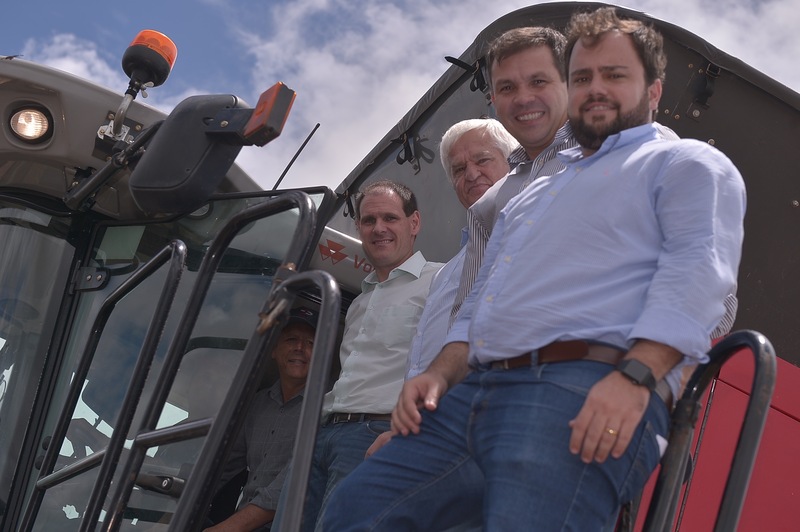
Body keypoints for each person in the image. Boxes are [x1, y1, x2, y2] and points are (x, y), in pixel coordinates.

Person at [320, 7, 746, 530]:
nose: (595, 89)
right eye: (583, 77)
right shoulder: (525, 198)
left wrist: (637, 377)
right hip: (477, 394)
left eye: (615, 75)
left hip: (577, 387)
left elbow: (704, 286)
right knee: (354, 510)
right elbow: (478, 306)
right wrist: (437, 376)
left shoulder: (681, 163)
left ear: (653, 91)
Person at [286, 180, 442, 531]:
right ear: (358, 227)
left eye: (390, 218)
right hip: (321, 437)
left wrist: (406, 432)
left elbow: (454, 361)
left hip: (376, 434)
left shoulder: (442, 280)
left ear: (414, 223)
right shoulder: (358, 302)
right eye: (369, 220)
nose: (378, 228)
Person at [204, 307, 318, 532]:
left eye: (311, 343)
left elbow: (292, 484)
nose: (300, 348)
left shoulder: (328, 408)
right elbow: (222, 466)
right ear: (274, 349)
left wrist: (227, 529)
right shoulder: (256, 404)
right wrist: (176, 511)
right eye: (291, 339)